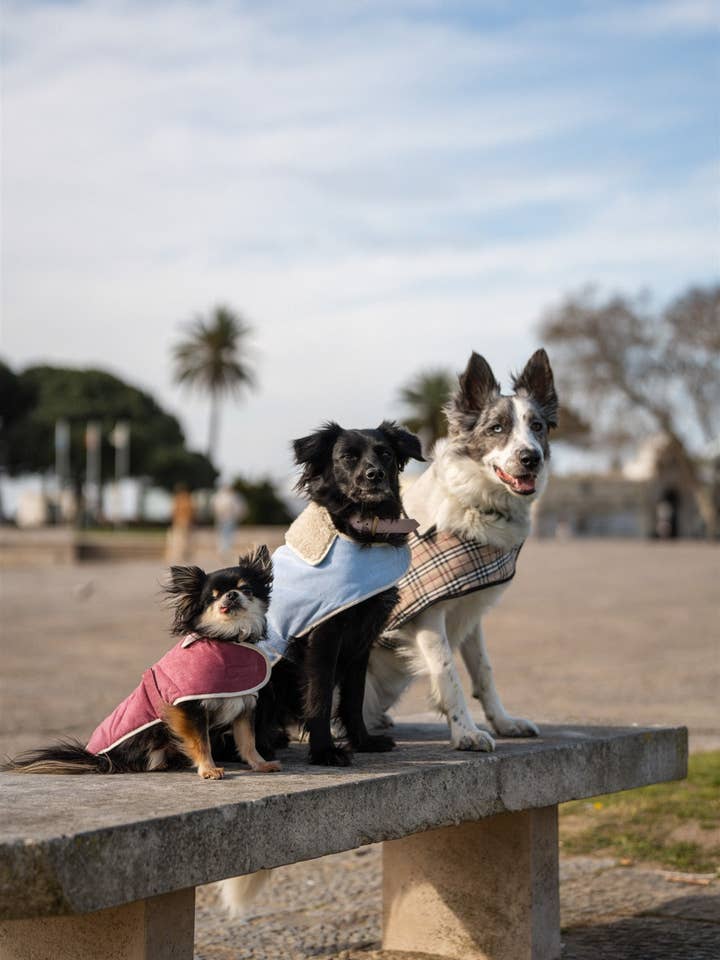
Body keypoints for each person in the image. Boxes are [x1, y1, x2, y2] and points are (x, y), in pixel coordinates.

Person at [212, 484, 246, 557]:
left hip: (230, 518)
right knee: (222, 535)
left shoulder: (234, 496)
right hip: (222, 518)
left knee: (229, 535)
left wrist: (237, 515)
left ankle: (226, 551)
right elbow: (216, 506)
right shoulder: (221, 496)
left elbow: (238, 508)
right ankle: (222, 551)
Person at [165, 484, 195, 562]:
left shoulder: (177, 499)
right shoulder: (188, 499)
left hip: (178, 521)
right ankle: (184, 555)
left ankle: (178, 556)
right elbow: (192, 512)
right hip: (186, 521)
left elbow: (173, 511)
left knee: (178, 539)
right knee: (185, 540)